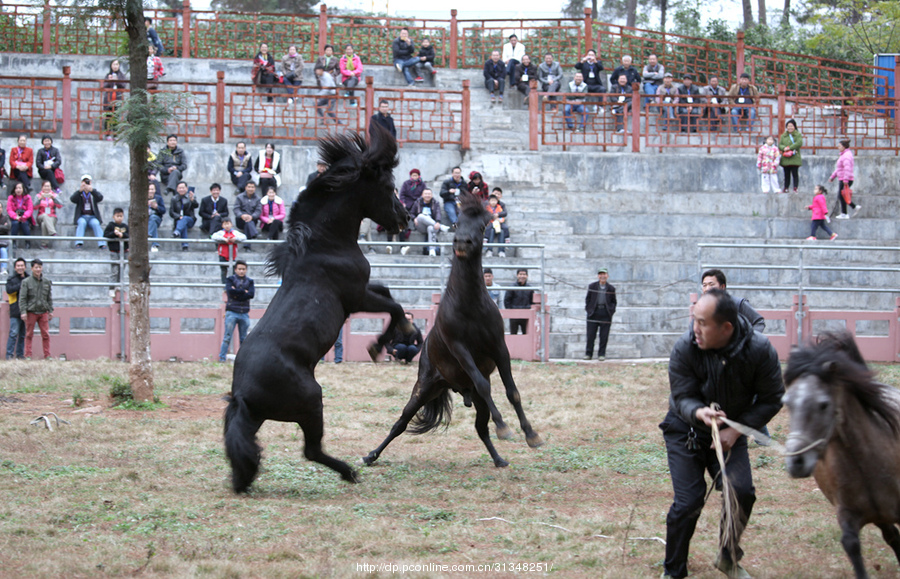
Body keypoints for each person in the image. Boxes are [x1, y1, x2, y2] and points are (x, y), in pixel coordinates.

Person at [660, 289, 784, 579]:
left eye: (703, 323)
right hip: (685, 430)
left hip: (731, 432)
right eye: (694, 320)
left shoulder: (759, 349)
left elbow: (772, 398)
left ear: (726, 328)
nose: (695, 329)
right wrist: (700, 412)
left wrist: (736, 430)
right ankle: (673, 570)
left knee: (741, 492)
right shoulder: (685, 347)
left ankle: (728, 557)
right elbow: (680, 396)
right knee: (689, 501)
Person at [700, 269, 765, 333]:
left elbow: (758, 322)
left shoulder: (739, 304)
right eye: (704, 285)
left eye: (711, 285)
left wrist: (750, 340)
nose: (707, 289)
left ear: (722, 287)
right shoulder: (701, 308)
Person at [218, 260, 255, 362]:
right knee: (227, 337)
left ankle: (243, 360)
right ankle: (222, 358)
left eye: (243, 269)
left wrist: (236, 292)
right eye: (239, 269)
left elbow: (251, 294)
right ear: (235, 270)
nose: (241, 271)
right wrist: (243, 291)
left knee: (244, 338)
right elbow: (230, 291)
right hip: (232, 312)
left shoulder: (250, 281)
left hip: (244, 313)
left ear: (246, 270)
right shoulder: (230, 279)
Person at [18, 258, 53, 360]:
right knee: (29, 334)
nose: (38, 269)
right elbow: (23, 298)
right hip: (31, 312)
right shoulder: (26, 282)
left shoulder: (46, 282)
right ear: (32, 268)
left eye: (40, 267)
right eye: (36, 267)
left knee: (45, 334)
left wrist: (50, 310)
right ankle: (28, 355)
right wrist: (23, 312)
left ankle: (47, 355)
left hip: (43, 311)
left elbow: (49, 298)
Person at [584, 268, 616, 360]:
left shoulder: (611, 288)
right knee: (590, 335)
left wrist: (611, 311)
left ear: (607, 276)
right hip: (593, 312)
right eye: (600, 274)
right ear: (598, 276)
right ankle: (588, 353)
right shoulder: (592, 286)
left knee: (604, 336)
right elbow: (588, 299)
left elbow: (614, 301)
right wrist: (589, 309)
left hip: (605, 313)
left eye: (604, 274)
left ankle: (601, 354)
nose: (602, 276)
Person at [70, 175, 106, 249]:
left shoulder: (93, 193)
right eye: (84, 181)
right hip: (82, 216)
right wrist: (79, 191)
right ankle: (79, 243)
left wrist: (92, 190)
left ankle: (102, 243)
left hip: (92, 217)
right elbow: (72, 199)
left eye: (87, 181)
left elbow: (100, 198)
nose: (86, 183)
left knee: (96, 224)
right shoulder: (79, 193)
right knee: (81, 223)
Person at [411, 188, 447, 257]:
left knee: (430, 227)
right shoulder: (417, 202)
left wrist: (438, 221)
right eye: (426, 194)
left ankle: (432, 250)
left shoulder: (435, 203)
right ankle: (441, 226)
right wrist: (414, 218)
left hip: (433, 226)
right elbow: (411, 213)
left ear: (432, 195)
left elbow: (438, 213)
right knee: (421, 216)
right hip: (420, 225)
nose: (427, 195)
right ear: (422, 195)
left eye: (429, 194)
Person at [830, 138, 860, 219]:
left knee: (841, 195)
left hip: (845, 179)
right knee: (842, 195)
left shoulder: (846, 156)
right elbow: (839, 168)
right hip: (843, 178)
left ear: (844, 147)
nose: (838, 147)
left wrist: (845, 180)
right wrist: (833, 176)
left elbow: (847, 168)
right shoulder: (844, 155)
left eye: (839, 146)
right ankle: (850, 209)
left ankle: (847, 211)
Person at [212, 218, 247, 283]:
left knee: (234, 271)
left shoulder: (235, 233)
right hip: (222, 255)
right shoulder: (220, 233)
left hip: (232, 255)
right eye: (225, 224)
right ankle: (224, 284)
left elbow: (244, 237)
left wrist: (236, 238)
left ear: (231, 224)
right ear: (222, 225)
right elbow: (213, 236)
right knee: (223, 270)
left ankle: (233, 284)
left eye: (228, 224)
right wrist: (223, 239)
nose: (227, 226)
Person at [5, 257, 27, 359]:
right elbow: (9, 290)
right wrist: (21, 285)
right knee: (13, 333)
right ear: (15, 268)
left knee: (22, 334)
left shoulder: (29, 278)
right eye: (18, 266)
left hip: (26, 310)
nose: (20, 267)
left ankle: (20, 355)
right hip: (15, 310)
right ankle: (9, 355)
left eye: (22, 265)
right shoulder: (11, 279)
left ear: (25, 267)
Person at [104, 207, 129, 295]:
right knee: (114, 270)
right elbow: (106, 234)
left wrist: (122, 235)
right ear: (113, 217)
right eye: (117, 216)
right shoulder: (111, 225)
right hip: (114, 251)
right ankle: (111, 287)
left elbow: (129, 235)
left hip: (124, 251)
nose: (119, 218)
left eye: (121, 216)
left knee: (122, 270)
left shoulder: (125, 226)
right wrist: (114, 234)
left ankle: (119, 285)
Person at [102, 59, 128, 139]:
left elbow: (123, 85)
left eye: (117, 64)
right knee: (108, 117)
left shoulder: (121, 75)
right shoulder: (108, 75)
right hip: (109, 99)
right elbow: (104, 86)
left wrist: (117, 80)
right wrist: (110, 80)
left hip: (117, 99)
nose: (115, 66)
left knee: (116, 116)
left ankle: (115, 135)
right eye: (114, 64)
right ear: (111, 66)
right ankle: (108, 134)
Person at [169, 181, 198, 250]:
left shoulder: (190, 197)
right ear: (177, 189)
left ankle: (177, 231)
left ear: (187, 189)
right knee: (183, 224)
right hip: (179, 221)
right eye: (180, 188)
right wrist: (179, 216)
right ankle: (185, 246)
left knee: (184, 219)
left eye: (183, 188)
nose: (181, 189)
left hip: (190, 219)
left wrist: (192, 200)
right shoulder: (174, 199)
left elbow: (196, 206)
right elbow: (171, 212)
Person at [233, 180, 261, 250]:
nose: (250, 189)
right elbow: (236, 209)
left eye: (252, 187)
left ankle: (247, 246)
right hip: (240, 220)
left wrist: (252, 217)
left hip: (252, 220)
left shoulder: (258, 199)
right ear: (245, 188)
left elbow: (258, 211)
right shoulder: (239, 197)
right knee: (247, 222)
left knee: (248, 223)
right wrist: (242, 215)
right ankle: (254, 233)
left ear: (255, 188)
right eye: (249, 187)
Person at [505, 269, 534, 335]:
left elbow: (532, 301)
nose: (522, 276)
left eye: (524, 274)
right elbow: (507, 301)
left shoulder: (530, 288)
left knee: (527, 335)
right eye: (520, 274)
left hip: (526, 315)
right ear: (517, 275)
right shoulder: (512, 287)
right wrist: (511, 311)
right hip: (514, 315)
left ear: (527, 276)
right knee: (513, 335)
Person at [35, 180, 63, 248]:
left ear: (51, 187)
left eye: (48, 186)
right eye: (45, 186)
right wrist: (40, 199)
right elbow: (34, 207)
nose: (47, 188)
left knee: (44, 224)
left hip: (52, 216)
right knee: (45, 215)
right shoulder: (38, 195)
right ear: (42, 187)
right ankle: (53, 232)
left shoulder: (54, 195)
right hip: (41, 216)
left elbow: (60, 206)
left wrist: (54, 198)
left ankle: (44, 244)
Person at [7, 181, 34, 248]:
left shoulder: (28, 197)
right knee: (15, 223)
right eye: (16, 188)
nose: (18, 190)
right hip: (15, 216)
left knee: (24, 224)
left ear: (23, 189)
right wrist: (15, 216)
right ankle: (13, 242)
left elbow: (30, 209)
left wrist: (24, 216)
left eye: (20, 188)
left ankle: (28, 242)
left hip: (25, 216)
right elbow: (9, 209)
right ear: (14, 189)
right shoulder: (11, 197)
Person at [779, 119, 803, 193]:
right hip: (786, 157)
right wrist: (784, 148)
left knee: (795, 173)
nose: (790, 128)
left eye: (791, 126)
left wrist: (790, 148)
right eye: (788, 126)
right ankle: (786, 187)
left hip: (794, 156)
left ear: (794, 126)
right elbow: (780, 145)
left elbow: (799, 143)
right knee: (786, 174)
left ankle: (795, 187)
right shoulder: (784, 135)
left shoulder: (798, 134)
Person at [147, 181, 165, 252]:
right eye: (149, 189)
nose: (151, 191)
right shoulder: (142, 199)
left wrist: (157, 207)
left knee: (153, 218)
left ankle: (149, 234)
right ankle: (155, 244)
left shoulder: (159, 198)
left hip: (156, 217)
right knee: (152, 222)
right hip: (145, 219)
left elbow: (163, 211)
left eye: (152, 189)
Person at [0, 201, 8, 275]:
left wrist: (4, 227)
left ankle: (3, 269)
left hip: (3, 243)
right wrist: (3, 227)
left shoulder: (6, 218)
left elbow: (8, 227)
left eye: (0, 207)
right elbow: (4, 228)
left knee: (3, 250)